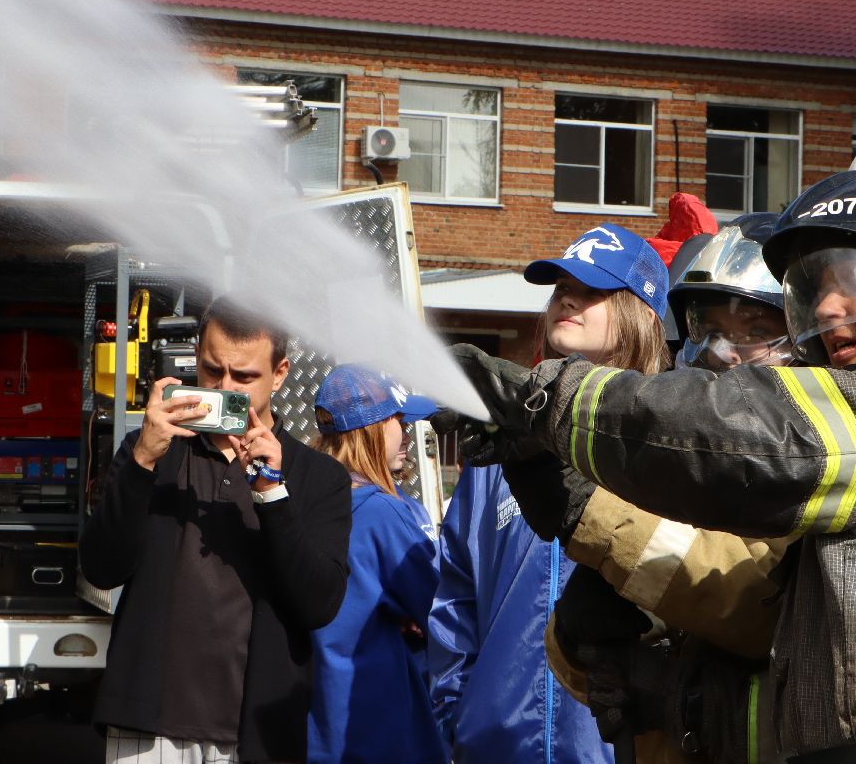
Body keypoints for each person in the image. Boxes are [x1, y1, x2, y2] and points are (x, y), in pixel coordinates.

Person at [452, 171, 856, 761]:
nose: (824, 310)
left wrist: (543, 415)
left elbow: (755, 594)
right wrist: (679, 699)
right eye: (709, 327)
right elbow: (849, 662)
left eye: (849, 283)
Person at [534, 213, 792, 764]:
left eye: (754, 333)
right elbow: (598, 676)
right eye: (711, 329)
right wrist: (581, 644)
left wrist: (592, 517)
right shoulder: (685, 447)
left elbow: (755, 608)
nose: (725, 352)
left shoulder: (810, 461)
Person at [430, 220, 672, 764]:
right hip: (495, 745)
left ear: (641, 312)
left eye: (590, 290)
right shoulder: (500, 449)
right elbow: (455, 596)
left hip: (619, 747)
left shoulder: (666, 449)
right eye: (561, 287)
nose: (567, 299)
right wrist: (459, 716)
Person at [79, 300, 353, 764]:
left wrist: (272, 492)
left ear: (280, 374)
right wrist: (142, 462)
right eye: (211, 370)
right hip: (148, 723)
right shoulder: (154, 449)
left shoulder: (317, 476)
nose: (225, 388)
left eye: (244, 377)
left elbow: (319, 604)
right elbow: (102, 568)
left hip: (258, 730)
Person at [306, 365, 445, 764]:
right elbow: (443, 613)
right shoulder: (385, 512)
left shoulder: (300, 500)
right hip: (378, 728)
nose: (407, 433)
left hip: (313, 728)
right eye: (399, 421)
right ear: (373, 428)